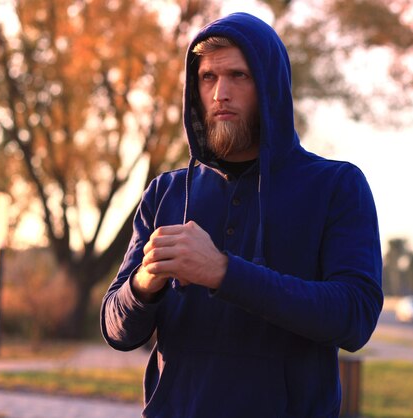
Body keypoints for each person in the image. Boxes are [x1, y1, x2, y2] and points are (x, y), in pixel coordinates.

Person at [101, 12, 383, 418]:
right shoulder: (165, 193)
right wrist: (144, 284)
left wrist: (223, 272)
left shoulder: (336, 187)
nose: (220, 93)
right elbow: (115, 328)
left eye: (239, 76)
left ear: (269, 86)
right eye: (208, 78)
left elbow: (355, 316)